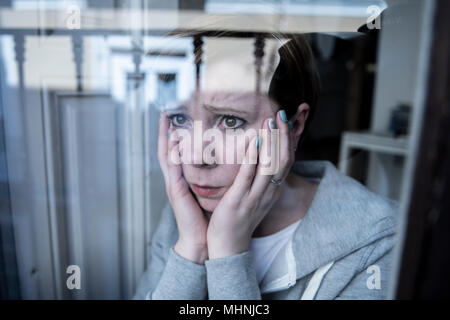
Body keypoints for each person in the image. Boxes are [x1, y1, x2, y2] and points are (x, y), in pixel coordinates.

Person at [134, 36, 398, 300]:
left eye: (230, 121)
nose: (195, 157)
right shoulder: (185, 213)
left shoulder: (378, 240)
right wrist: (191, 250)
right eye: (179, 119)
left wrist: (228, 253)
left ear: (294, 125)